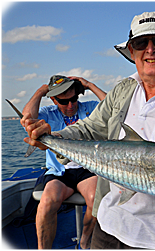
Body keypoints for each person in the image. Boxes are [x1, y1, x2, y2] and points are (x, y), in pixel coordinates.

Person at [21, 11, 155, 249]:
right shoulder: (123, 89)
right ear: (132, 52)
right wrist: (53, 138)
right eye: (141, 43)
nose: (150, 50)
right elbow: (91, 128)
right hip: (109, 226)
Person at [21, 75, 106, 249]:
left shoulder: (90, 108)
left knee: (97, 200)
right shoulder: (46, 115)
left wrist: (89, 85)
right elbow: (26, 118)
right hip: (59, 171)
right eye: (63, 101)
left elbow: (115, 107)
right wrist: (41, 91)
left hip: (87, 169)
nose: (70, 105)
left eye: (73, 99)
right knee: (46, 203)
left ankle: (85, 240)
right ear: (53, 99)